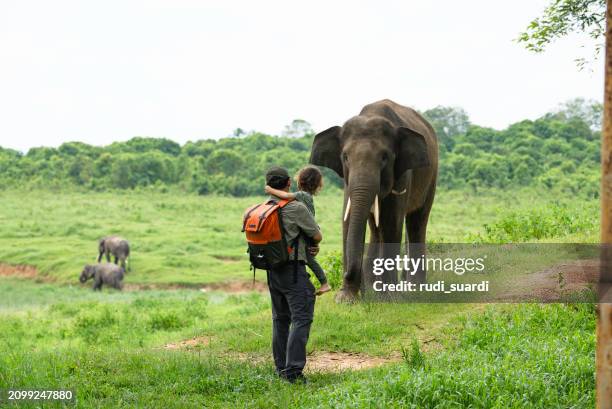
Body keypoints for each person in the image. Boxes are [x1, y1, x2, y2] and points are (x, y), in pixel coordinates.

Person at [264, 166, 322, 383]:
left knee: (280, 319)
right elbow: (316, 235)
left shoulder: (267, 206)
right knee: (302, 318)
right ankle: (294, 373)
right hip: (293, 271)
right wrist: (313, 244)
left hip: (272, 271)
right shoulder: (296, 207)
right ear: (289, 182)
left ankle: (281, 369)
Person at [265, 165, 331, 296]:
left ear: (299, 181)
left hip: (308, 231)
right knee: (310, 259)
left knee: (309, 259)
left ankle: (324, 283)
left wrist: (270, 189)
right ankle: (323, 283)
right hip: (310, 230)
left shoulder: (301, 195)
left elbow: (285, 195)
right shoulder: (306, 196)